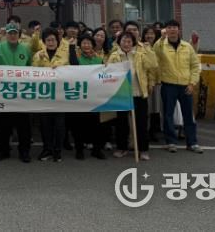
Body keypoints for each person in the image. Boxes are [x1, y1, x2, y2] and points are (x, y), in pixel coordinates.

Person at [153, 19, 203, 154]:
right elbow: (155, 51)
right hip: (168, 85)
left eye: (174, 27)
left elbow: (195, 66)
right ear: (166, 30)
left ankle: (192, 142)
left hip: (186, 86)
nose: (172, 30)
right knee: (168, 115)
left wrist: (192, 83)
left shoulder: (187, 47)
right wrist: (161, 38)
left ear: (178, 30)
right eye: (169, 27)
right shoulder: (161, 45)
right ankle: (171, 142)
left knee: (188, 115)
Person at [0, 23, 33, 163]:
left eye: (15, 33)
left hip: (21, 93)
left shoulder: (25, 49)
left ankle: (24, 151)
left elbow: (30, 68)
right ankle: (3, 150)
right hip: (4, 92)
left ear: (19, 35)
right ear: (6, 35)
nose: (12, 35)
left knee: (23, 126)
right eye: (10, 33)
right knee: (3, 125)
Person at [109, 31, 157, 161]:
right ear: (119, 42)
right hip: (122, 94)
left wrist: (148, 49)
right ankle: (121, 147)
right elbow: (109, 73)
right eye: (124, 41)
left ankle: (143, 149)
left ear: (133, 43)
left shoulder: (140, 54)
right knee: (121, 123)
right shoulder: (114, 56)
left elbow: (152, 65)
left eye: (129, 41)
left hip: (138, 93)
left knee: (141, 123)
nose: (126, 44)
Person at [32, 28, 74, 162]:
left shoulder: (64, 55)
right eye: (48, 40)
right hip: (44, 95)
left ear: (58, 41)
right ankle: (47, 149)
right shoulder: (38, 55)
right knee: (45, 124)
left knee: (60, 124)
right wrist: (41, 64)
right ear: (44, 42)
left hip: (60, 95)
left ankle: (57, 150)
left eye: (53, 40)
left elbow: (73, 70)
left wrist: (61, 70)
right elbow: (32, 72)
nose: (51, 42)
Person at [69, 35, 108, 160]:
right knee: (79, 125)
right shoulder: (77, 58)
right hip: (80, 97)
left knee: (96, 125)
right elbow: (74, 67)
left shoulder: (98, 59)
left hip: (95, 98)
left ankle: (97, 150)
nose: (86, 45)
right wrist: (71, 47)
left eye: (89, 43)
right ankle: (79, 150)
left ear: (92, 45)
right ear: (80, 45)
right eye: (84, 43)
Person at [142, 26, 162, 142]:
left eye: (152, 33)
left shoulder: (159, 46)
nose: (149, 36)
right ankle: (145, 131)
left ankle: (154, 131)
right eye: (147, 33)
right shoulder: (141, 47)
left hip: (158, 81)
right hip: (146, 81)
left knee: (156, 109)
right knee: (146, 109)